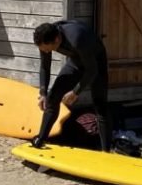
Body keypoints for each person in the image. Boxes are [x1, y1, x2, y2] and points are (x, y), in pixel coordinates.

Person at [32, 21, 112, 151]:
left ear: (57, 39)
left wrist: (75, 92)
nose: (45, 51)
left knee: (100, 104)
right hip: (76, 61)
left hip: (96, 62)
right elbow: (45, 67)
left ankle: (106, 151)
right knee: (52, 97)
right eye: (42, 49)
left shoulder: (76, 37)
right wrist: (43, 93)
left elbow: (92, 71)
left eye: (47, 48)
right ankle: (40, 140)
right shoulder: (46, 37)